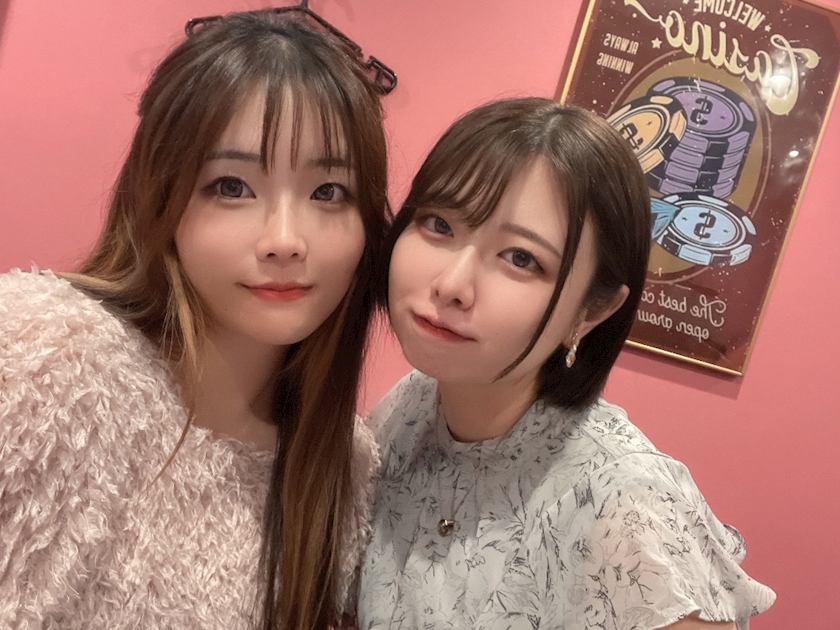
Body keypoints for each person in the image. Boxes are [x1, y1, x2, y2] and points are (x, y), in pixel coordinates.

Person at [0, 11, 388, 630]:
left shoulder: (345, 463)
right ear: (162, 194)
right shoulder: (42, 358)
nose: (285, 240)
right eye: (231, 186)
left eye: (328, 192)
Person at [357, 98, 775, 629]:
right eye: (439, 224)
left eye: (521, 258)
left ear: (592, 310)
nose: (452, 284)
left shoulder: (625, 508)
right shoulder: (410, 406)